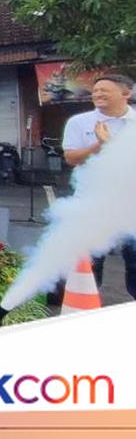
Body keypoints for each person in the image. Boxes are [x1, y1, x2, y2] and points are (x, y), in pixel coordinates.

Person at [62, 74, 136, 300]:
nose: (98, 94)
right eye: (95, 91)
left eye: (105, 90)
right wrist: (99, 145)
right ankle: (85, 312)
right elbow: (71, 158)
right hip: (91, 204)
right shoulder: (79, 122)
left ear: (127, 93)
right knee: (90, 264)